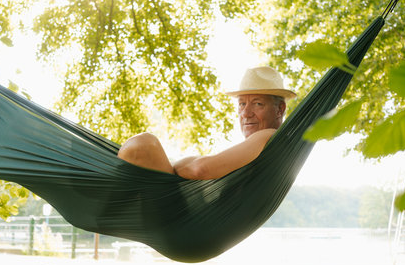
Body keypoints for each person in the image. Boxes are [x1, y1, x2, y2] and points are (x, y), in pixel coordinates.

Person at [117, 66, 296, 180]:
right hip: (193, 219)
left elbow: (200, 170)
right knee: (141, 146)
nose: (245, 113)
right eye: (242, 104)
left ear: (280, 109)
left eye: (257, 104)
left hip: (186, 221)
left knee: (143, 144)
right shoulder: (265, 146)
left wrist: (177, 167)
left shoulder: (268, 136)